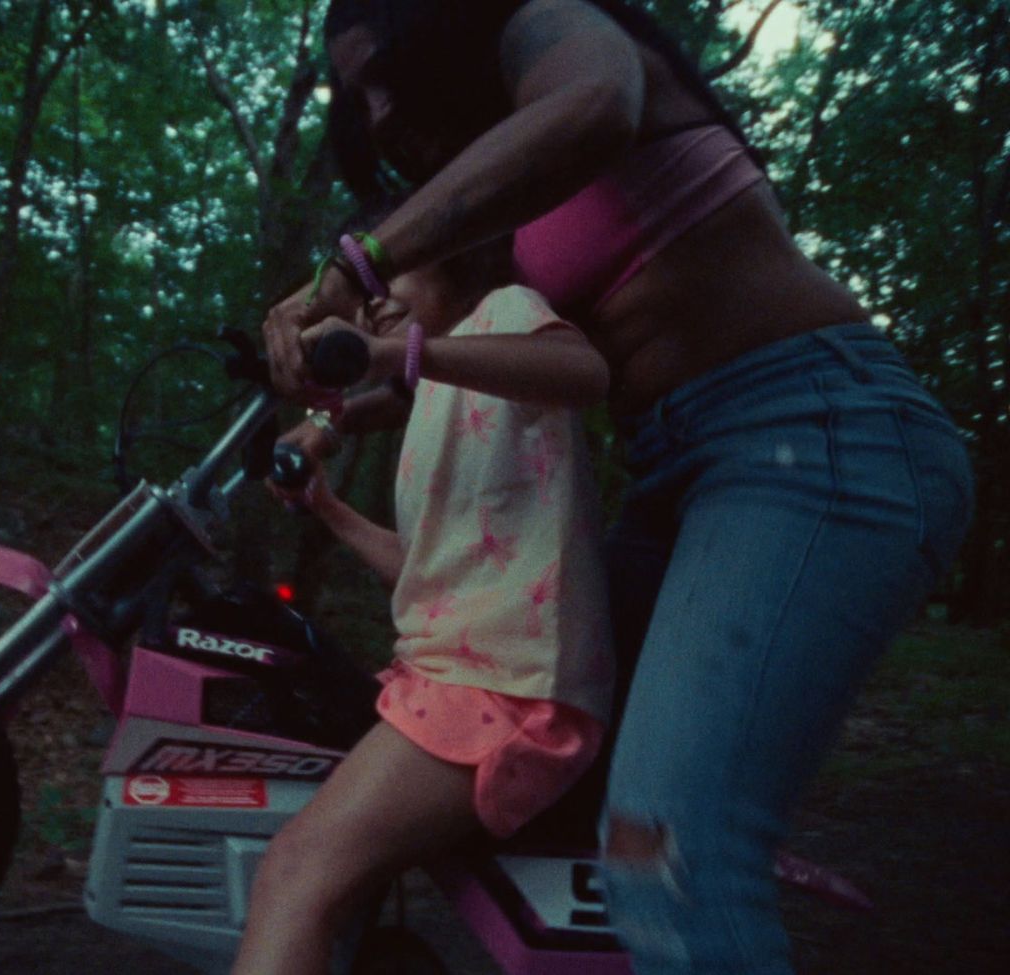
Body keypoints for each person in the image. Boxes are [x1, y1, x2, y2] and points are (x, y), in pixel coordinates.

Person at [260, 2, 975, 972]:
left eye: (384, 73)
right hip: (677, 472)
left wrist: (358, 262)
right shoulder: (510, 201)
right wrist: (330, 412)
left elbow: (595, 105)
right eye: (357, 98)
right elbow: (475, 365)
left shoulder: (560, 35)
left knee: (668, 851)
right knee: (559, 816)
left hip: (811, 438)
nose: (378, 113)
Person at [233, 254, 617, 974]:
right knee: (329, 881)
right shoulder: (438, 399)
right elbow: (425, 570)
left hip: (508, 689)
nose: (374, 306)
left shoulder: (503, 311)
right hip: (458, 679)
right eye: (367, 299)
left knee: (293, 874)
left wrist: (396, 355)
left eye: (391, 284)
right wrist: (328, 508)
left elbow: (585, 372)